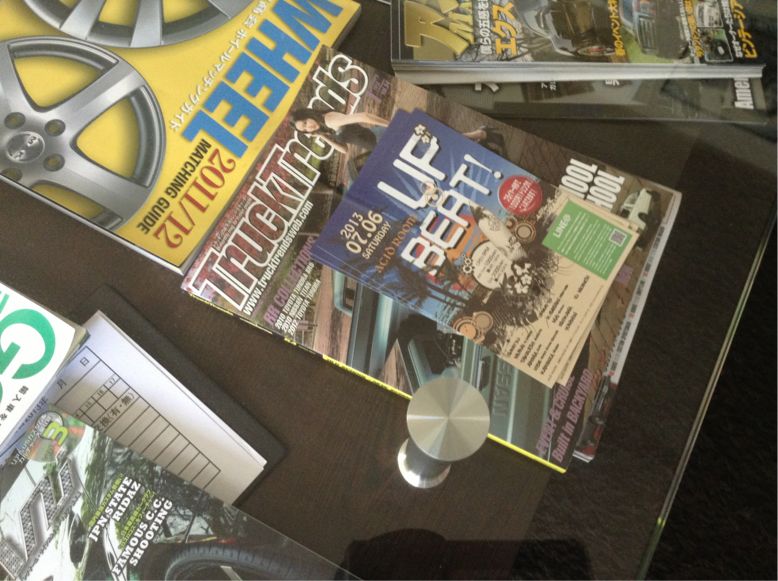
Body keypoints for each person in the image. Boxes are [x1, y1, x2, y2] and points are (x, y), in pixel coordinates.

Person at [290, 108, 390, 154]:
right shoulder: (325, 127)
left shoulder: (329, 120)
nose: (309, 127)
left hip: (379, 139)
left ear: (308, 114)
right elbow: (344, 150)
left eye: (305, 123)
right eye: (305, 130)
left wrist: (391, 126)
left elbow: (364, 116)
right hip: (376, 144)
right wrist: (322, 136)